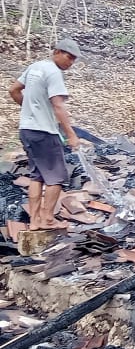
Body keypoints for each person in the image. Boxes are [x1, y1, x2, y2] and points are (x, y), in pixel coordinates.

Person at [8, 39, 83, 230]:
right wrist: (71, 135)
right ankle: (48, 219)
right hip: (44, 132)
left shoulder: (35, 67)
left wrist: (31, 110)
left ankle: (35, 221)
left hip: (27, 130)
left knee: (38, 176)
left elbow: (13, 90)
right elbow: (58, 105)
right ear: (57, 52)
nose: (71, 62)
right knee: (57, 177)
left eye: (74, 59)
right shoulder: (54, 72)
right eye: (69, 57)